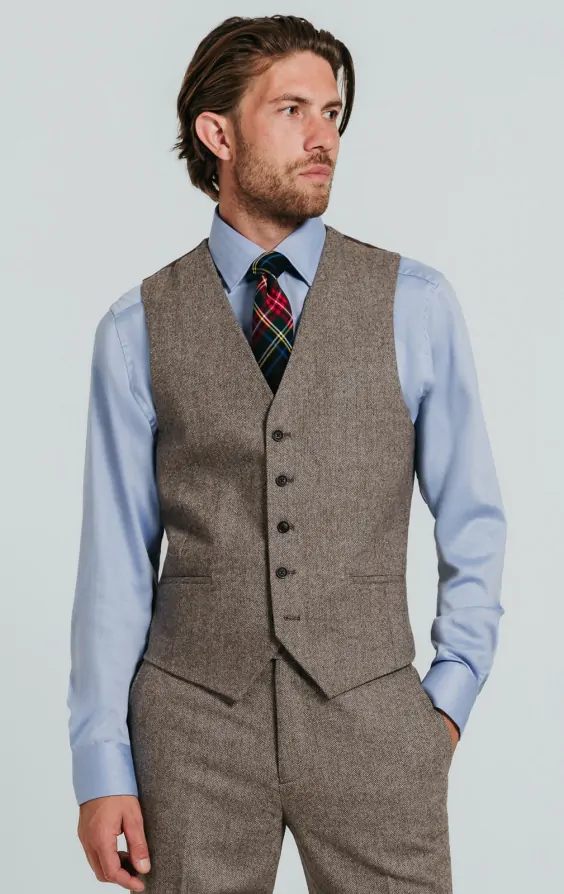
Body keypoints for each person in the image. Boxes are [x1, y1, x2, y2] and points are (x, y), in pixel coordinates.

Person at [67, 14, 507, 893]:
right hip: (192, 733)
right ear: (218, 134)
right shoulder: (136, 328)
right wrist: (100, 765)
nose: (323, 138)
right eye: (292, 109)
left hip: (374, 724)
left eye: (332, 113)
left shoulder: (414, 304)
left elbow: (474, 519)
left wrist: (445, 704)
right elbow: (114, 562)